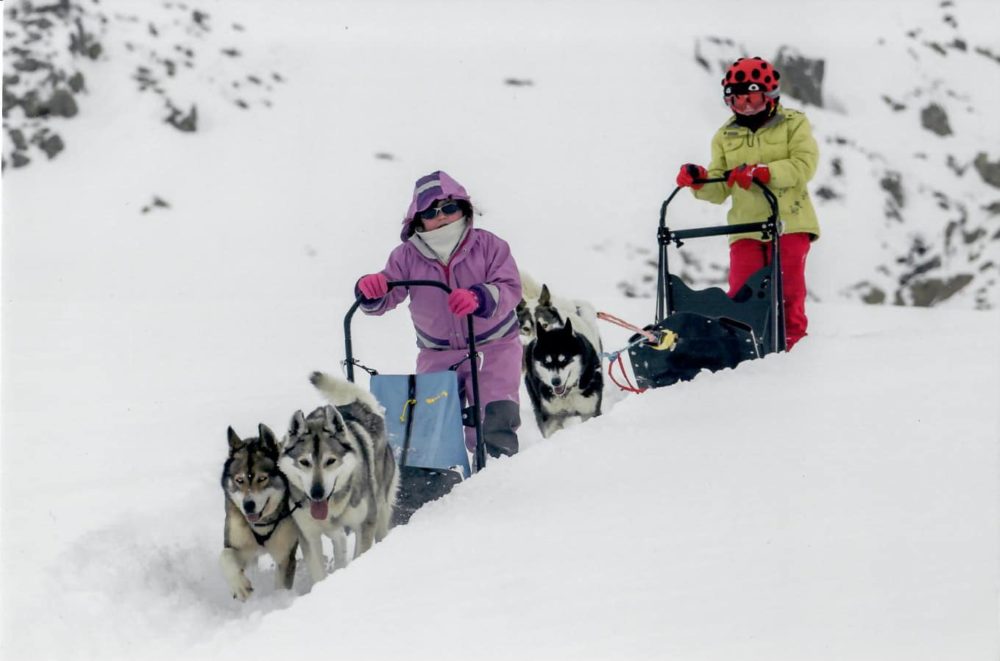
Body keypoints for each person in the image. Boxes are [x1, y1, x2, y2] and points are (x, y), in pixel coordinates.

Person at [355, 170, 523, 458]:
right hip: (437, 352)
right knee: (429, 424)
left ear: (464, 209)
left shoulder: (490, 246)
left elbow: (510, 288)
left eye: (449, 207)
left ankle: (497, 478)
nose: (442, 216)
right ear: (418, 219)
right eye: (431, 211)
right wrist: (372, 290)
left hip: (494, 348)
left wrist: (478, 296)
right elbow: (387, 295)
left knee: (494, 418)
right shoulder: (405, 256)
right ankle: (437, 486)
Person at [675, 56, 819, 350]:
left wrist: (766, 172)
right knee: (742, 293)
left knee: (788, 289)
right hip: (745, 227)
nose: (744, 107)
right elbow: (719, 188)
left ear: (769, 95)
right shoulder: (725, 136)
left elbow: (804, 165)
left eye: (751, 98)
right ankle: (745, 349)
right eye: (736, 100)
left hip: (789, 221)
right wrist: (700, 180)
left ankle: (793, 348)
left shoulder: (794, 124)